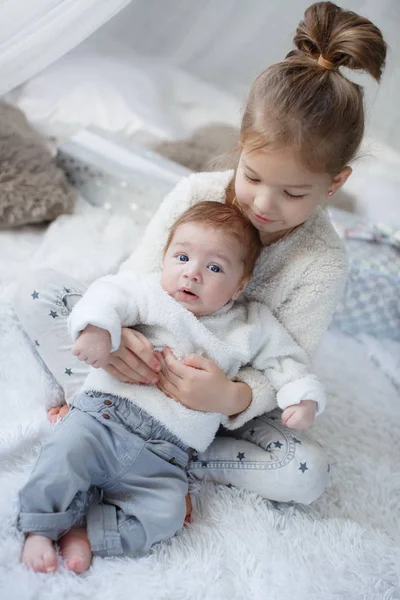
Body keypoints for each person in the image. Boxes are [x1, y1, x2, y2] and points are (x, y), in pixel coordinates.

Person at [14, 0, 386, 575]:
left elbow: (284, 364)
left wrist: (229, 399)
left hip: (208, 410)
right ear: (241, 146)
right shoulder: (195, 193)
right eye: (254, 176)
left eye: (293, 193)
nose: (264, 204)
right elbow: (135, 279)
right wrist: (119, 342)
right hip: (133, 366)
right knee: (36, 291)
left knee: (306, 473)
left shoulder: (321, 262)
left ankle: (172, 464)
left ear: (336, 183)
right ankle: (96, 408)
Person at [19, 201, 326, 573]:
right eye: (181, 258)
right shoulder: (150, 292)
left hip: (167, 457)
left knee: (166, 515)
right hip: (103, 419)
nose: (191, 274)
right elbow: (109, 293)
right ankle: (38, 528)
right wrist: (99, 328)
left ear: (240, 285)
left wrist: (302, 396)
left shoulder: (251, 326)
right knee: (63, 455)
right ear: (164, 257)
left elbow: (286, 360)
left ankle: (87, 536)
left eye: (214, 268)